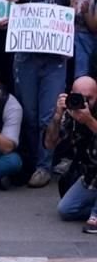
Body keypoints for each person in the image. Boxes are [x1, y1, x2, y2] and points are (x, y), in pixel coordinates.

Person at [5, 0, 72, 188]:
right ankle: (32, 161)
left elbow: (67, 20)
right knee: (29, 114)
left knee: (48, 115)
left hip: (54, 61)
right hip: (27, 59)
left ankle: (44, 165)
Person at [46, 76, 97, 233]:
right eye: (80, 97)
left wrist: (89, 121)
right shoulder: (69, 113)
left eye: (89, 98)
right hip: (90, 174)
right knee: (66, 210)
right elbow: (49, 144)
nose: (84, 103)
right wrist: (56, 117)